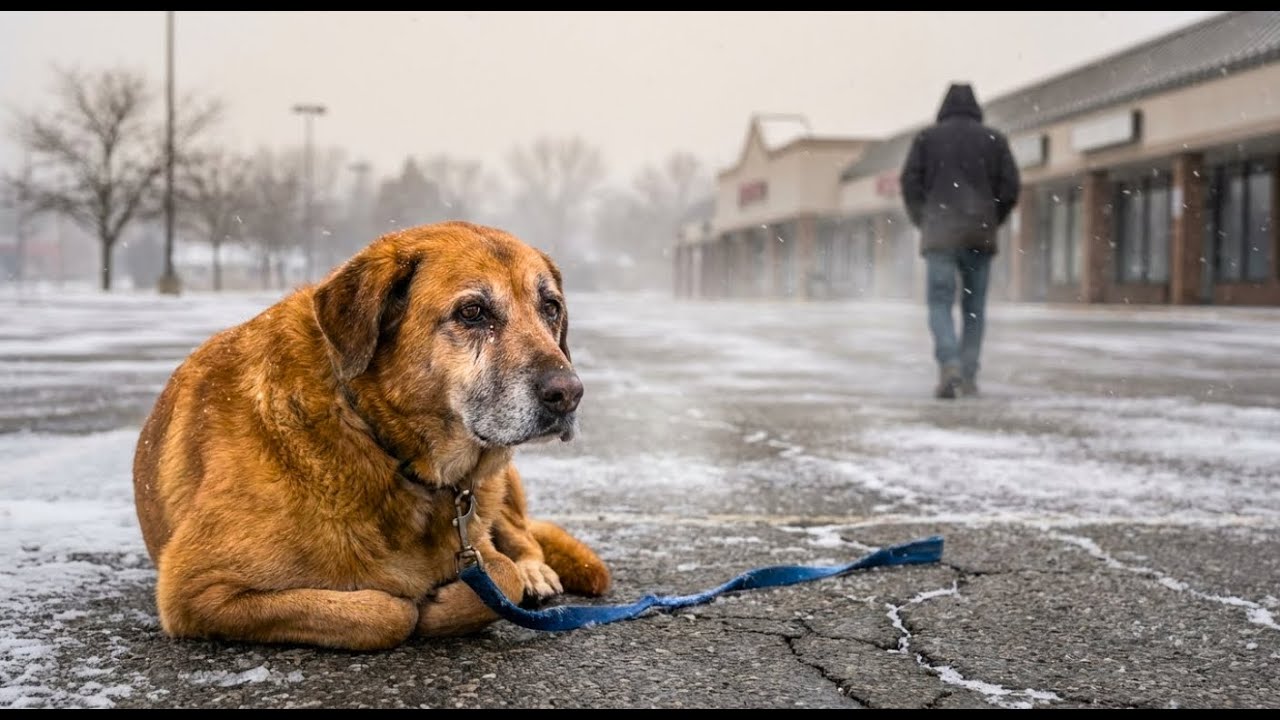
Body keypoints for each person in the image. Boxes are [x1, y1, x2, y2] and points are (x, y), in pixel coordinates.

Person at [900, 82, 1020, 399]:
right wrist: (991, 219)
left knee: (939, 303)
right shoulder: (994, 140)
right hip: (979, 235)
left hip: (939, 235)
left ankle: (949, 363)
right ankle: (968, 373)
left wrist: (924, 220)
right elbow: (1010, 188)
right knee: (974, 308)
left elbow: (910, 184)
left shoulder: (927, 139)